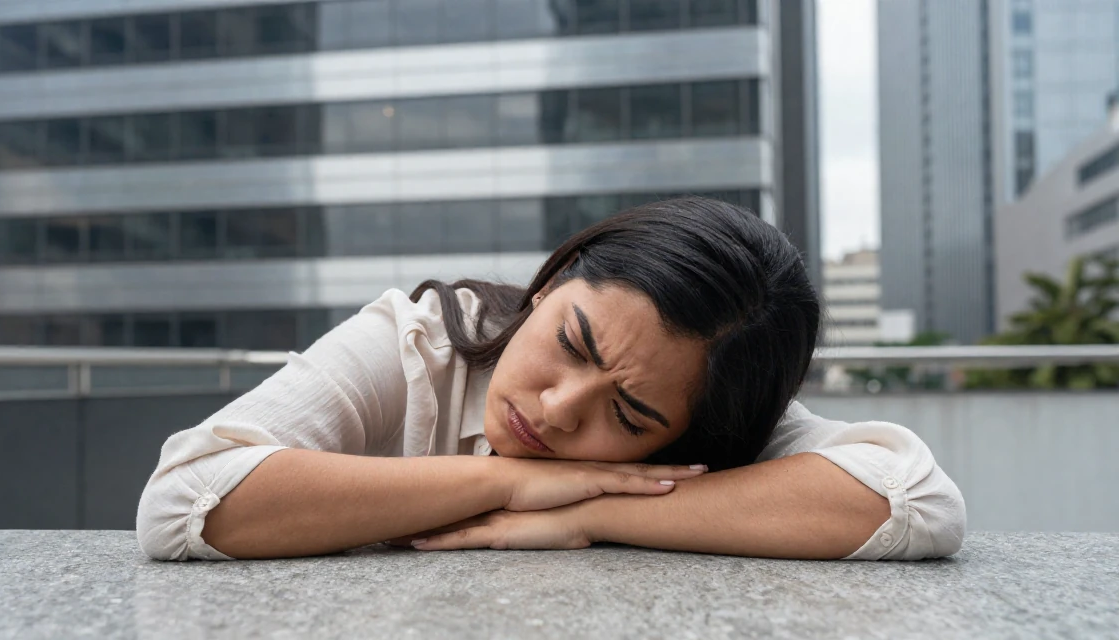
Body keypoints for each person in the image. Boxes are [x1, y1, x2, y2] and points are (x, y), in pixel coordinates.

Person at [136, 196, 965, 561]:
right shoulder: (421, 340)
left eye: (632, 413)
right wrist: (509, 485)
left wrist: (591, 513)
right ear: (552, 281)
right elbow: (185, 501)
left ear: (689, 433)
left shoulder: (714, 402)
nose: (561, 408)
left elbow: (913, 501)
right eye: (572, 342)